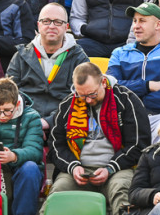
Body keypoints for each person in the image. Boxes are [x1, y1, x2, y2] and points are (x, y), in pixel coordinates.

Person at [49, 62, 152, 215]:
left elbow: (138, 144)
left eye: (92, 94)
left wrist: (110, 168)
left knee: (121, 191)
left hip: (119, 169)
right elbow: (56, 145)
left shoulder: (126, 100)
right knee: (57, 193)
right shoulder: (68, 104)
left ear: (103, 82)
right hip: (78, 169)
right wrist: (73, 166)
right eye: (81, 95)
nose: (87, 100)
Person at [6, 1, 90, 130]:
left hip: (64, 123)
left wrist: (49, 122)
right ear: (38, 25)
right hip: (23, 121)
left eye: (58, 22)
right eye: (46, 21)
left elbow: (82, 98)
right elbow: (9, 92)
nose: (51, 26)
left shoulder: (79, 58)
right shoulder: (21, 55)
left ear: (66, 26)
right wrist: (30, 120)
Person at [0, 78, 45, 215]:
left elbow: (35, 150)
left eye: (7, 110)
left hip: (18, 166)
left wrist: (14, 156)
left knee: (30, 169)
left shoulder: (32, 117)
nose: (2, 116)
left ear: (17, 104)